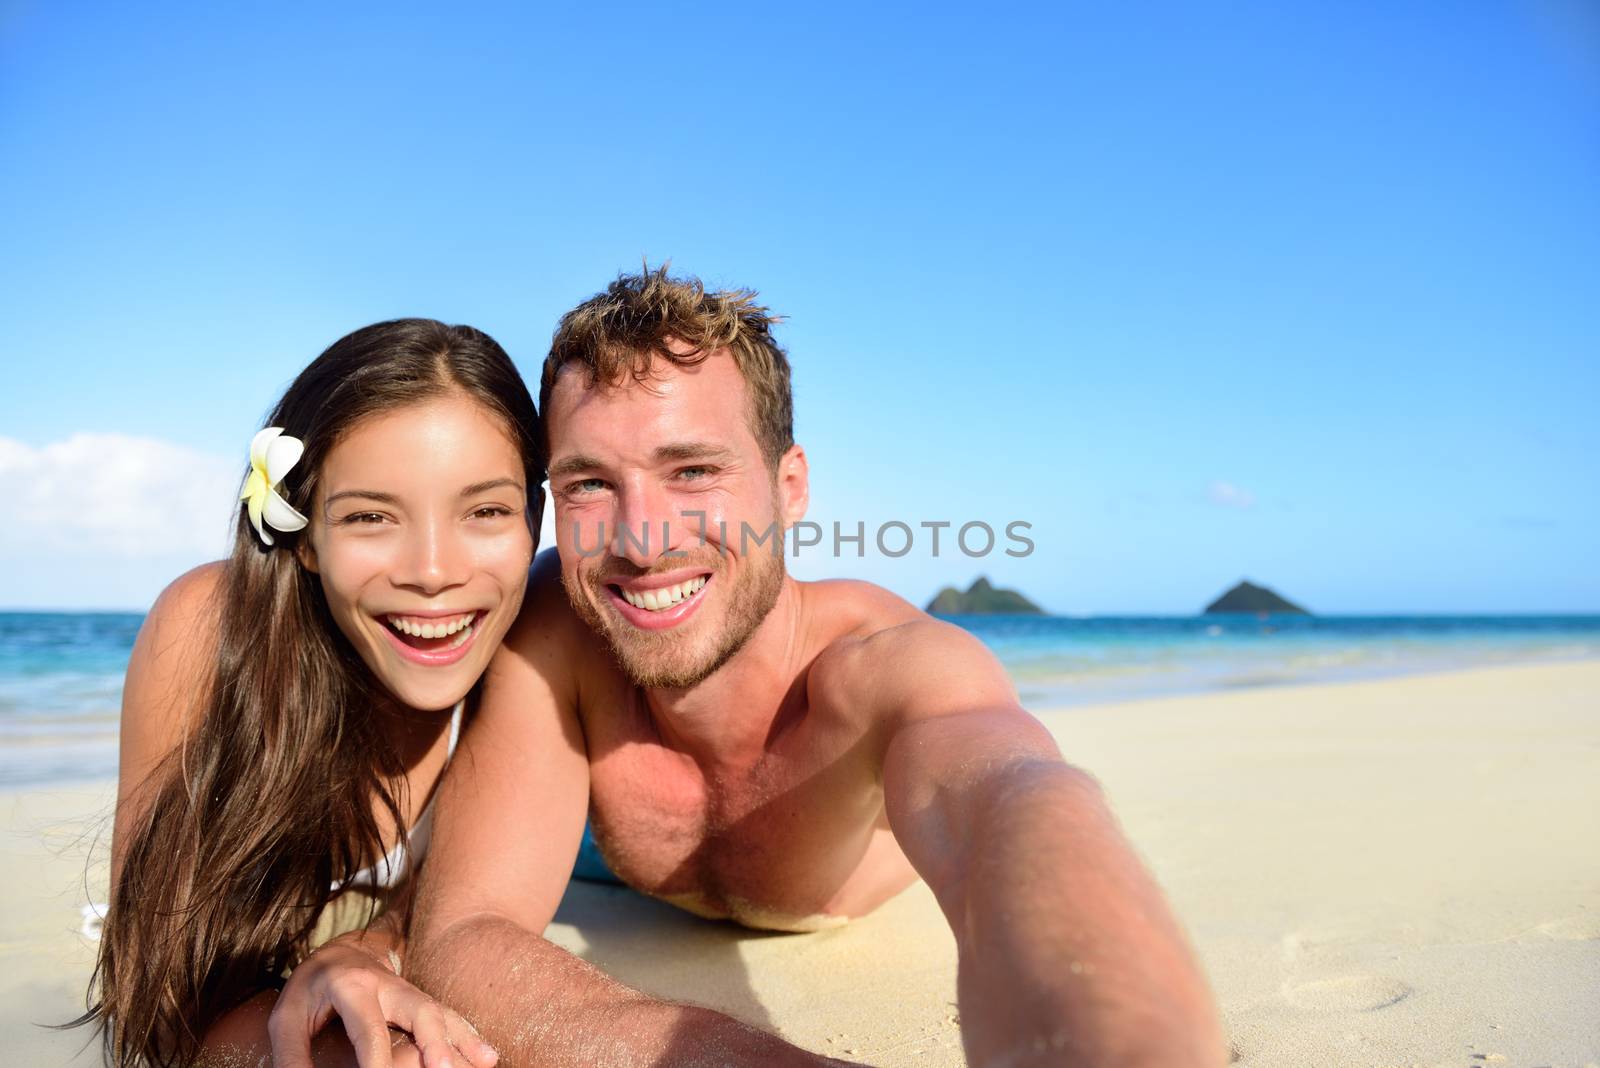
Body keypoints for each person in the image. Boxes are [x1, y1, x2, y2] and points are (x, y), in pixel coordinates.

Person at [387, 268, 1228, 1067]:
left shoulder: (888, 671)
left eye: (693, 471)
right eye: (589, 485)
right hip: (592, 845)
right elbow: (465, 934)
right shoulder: (561, 623)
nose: (641, 541)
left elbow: (1017, 804)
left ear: (790, 487)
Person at [86, 319, 538, 1068]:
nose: (432, 570)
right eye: (369, 517)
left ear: (533, 521)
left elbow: (471, 904)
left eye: (485, 511)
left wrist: (373, 946)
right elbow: (153, 997)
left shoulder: (525, 649)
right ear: (303, 535)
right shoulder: (208, 630)